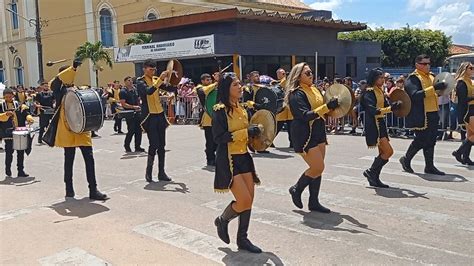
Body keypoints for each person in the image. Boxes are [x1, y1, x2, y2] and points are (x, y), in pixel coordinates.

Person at [212, 72, 263, 253]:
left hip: (244, 158)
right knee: (244, 200)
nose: (240, 87)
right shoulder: (219, 110)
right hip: (229, 159)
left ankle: (243, 239)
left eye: (240, 83)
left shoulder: (243, 108)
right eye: (235, 84)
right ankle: (223, 219)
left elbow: (250, 134)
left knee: (249, 201)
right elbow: (218, 137)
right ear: (226, 89)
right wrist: (246, 133)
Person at [49, 60, 108, 200]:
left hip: (82, 129)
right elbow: (54, 83)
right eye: (68, 73)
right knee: (69, 160)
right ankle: (69, 189)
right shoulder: (58, 89)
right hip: (68, 129)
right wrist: (73, 67)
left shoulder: (78, 89)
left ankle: (93, 190)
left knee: (89, 159)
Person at [286, 63, 339, 213]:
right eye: (307, 73)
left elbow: (323, 110)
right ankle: (297, 188)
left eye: (311, 72)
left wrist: (334, 107)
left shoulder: (315, 89)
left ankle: (314, 202)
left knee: (318, 169)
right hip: (304, 133)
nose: (311, 75)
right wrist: (327, 107)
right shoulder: (296, 93)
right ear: (298, 76)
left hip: (318, 131)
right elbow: (303, 116)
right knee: (318, 167)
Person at [399, 54, 447, 175]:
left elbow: (436, 93)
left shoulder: (432, 76)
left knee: (431, 140)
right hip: (421, 114)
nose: (427, 66)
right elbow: (414, 95)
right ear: (417, 64)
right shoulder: (413, 78)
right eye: (424, 63)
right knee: (421, 139)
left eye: (429, 63)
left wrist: (441, 90)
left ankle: (429, 166)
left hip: (433, 112)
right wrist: (433, 88)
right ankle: (406, 159)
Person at [360, 68, 402, 188]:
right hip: (373, 124)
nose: (383, 80)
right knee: (388, 152)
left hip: (381, 122)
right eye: (380, 77)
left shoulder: (379, 90)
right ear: (374, 78)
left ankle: (374, 177)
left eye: (383, 77)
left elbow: (385, 105)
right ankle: (371, 172)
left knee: (383, 152)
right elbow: (372, 110)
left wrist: (396, 105)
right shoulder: (368, 92)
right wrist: (389, 109)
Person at [137, 59, 176, 182]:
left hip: (160, 115)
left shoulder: (155, 80)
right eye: (150, 69)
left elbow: (170, 88)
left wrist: (174, 78)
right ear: (144, 69)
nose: (152, 71)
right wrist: (160, 79)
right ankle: (148, 172)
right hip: (150, 117)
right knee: (153, 144)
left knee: (162, 145)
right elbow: (148, 92)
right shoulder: (140, 82)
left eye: (154, 69)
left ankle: (161, 172)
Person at [0, 88, 34, 177]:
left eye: (10, 96)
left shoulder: (19, 105)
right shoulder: (1, 106)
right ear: (4, 97)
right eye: (6, 96)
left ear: (13, 95)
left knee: (20, 152)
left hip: (20, 131)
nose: (8, 98)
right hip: (8, 133)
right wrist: (5, 115)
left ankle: (21, 171)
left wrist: (29, 117)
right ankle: (8, 170)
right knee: (9, 152)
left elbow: (26, 113)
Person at [452, 62, 474, 165]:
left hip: (472, 109)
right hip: (467, 111)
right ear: (464, 69)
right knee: (472, 135)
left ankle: (465, 157)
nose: (473, 70)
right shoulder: (461, 82)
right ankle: (459, 152)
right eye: (471, 68)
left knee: (470, 135)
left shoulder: (470, 81)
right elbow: (463, 99)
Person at [195, 73, 218, 166]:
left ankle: (213, 154)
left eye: (210, 80)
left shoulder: (214, 88)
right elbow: (204, 91)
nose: (209, 81)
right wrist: (216, 82)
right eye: (207, 80)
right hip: (207, 118)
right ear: (202, 81)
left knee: (217, 140)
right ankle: (210, 159)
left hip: (217, 117)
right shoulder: (199, 88)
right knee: (210, 140)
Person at [120, 76, 144, 153]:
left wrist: (139, 105)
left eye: (131, 80)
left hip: (137, 112)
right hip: (129, 113)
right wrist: (133, 107)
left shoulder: (135, 90)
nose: (130, 82)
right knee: (131, 130)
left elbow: (139, 99)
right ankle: (127, 145)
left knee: (139, 130)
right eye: (128, 80)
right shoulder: (123, 91)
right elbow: (123, 104)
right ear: (125, 82)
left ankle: (137, 146)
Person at [275, 68, 293, 148]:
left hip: (287, 107)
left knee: (290, 127)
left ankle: (292, 143)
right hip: (284, 107)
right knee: (279, 126)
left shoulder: (285, 81)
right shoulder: (284, 81)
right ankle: (269, 140)